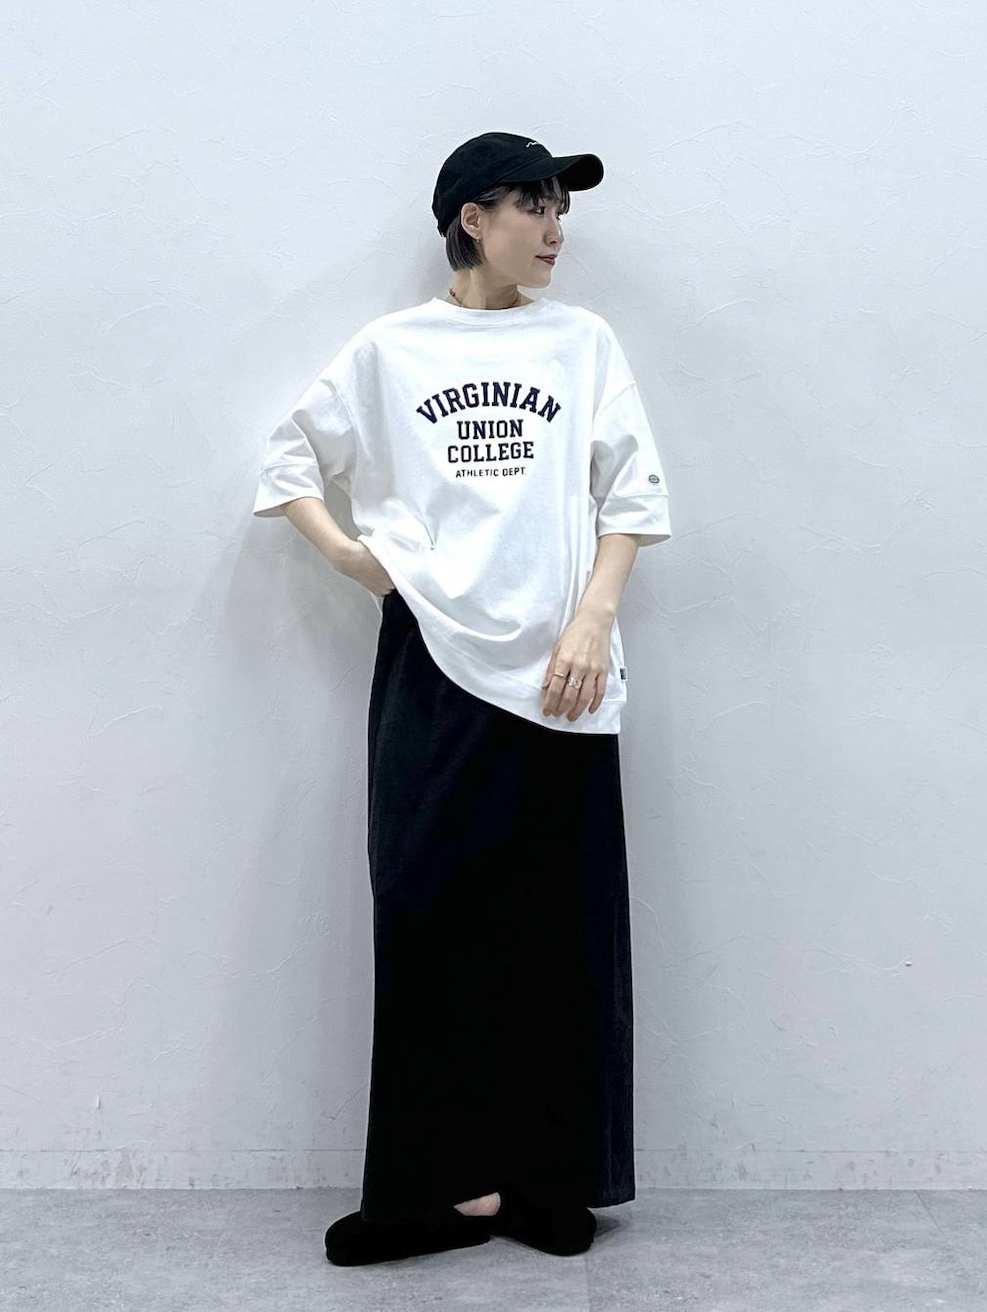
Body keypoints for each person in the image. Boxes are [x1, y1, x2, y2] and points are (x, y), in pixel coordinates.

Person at [251, 131, 672, 1266]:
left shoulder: (582, 342)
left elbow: (633, 492)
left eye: (561, 209)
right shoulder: (393, 350)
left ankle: (545, 1181)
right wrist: (353, 559)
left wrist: (593, 615)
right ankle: (435, 1192)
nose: (555, 228)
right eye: (533, 204)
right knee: (427, 911)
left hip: (563, 668)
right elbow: (289, 460)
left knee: (556, 925)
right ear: (470, 219)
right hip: (433, 657)